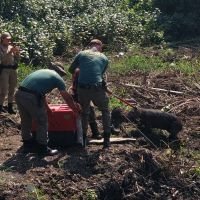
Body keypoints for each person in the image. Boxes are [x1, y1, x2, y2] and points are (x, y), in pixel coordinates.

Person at [15, 63, 81, 156]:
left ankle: (27, 145)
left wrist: (48, 108)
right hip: (31, 97)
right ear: (59, 72)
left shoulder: (42, 73)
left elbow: (41, 94)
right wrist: (75, 109)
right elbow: (66, 96)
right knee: (42, 121)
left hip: (19, 94)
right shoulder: (57, 78)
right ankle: (42, 147)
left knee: (26, 120)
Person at [69, 39, 111, 149]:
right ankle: (106, 140)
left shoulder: (81, 54)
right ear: (99, 47)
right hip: (97, 88)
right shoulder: (104, 58)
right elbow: (100, 74)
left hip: (82, 89)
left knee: (84, 113)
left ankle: (83, 140)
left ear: (90, 46)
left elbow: (71, 69)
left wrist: (80, 70)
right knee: (105, 111)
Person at [71, 68, 101, 140]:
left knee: (91, 112)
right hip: (79, 97)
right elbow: (74, 91)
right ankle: (82, 135)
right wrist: (76, 101)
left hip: (87, 96)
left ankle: (95, 132)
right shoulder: (77, 78)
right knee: (83, 115)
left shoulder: (88, 77)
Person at [0, 32, 20, 114]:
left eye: (10, 39)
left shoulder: (11, 47)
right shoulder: (0, 48)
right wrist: (9, 52)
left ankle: (10, 107)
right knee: (3, 90)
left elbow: (16, 59)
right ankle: (0, 106)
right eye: (7, 39)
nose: (9, 41)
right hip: (4, 69)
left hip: (12, 70)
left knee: (12, 89)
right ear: (2, 39)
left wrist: (17, 53)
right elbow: (2, 60)